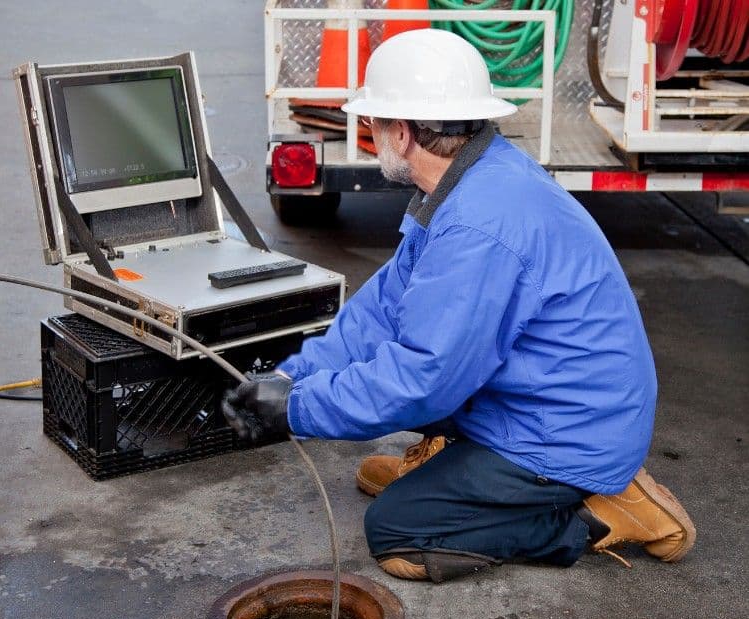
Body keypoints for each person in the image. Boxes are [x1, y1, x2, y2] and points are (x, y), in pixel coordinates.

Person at [223, 29, 696, 582]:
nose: (371, 137)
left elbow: (423, 377)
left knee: (398, 532)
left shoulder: (478, 225)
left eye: (374, 125)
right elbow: (379, 315)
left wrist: (296, 411)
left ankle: (597, 514)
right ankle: (459, 468)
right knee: (398, 371)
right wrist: (289, 376)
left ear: (402, 133)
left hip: (566, 433)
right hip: (546, 394)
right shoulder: (467, 180)